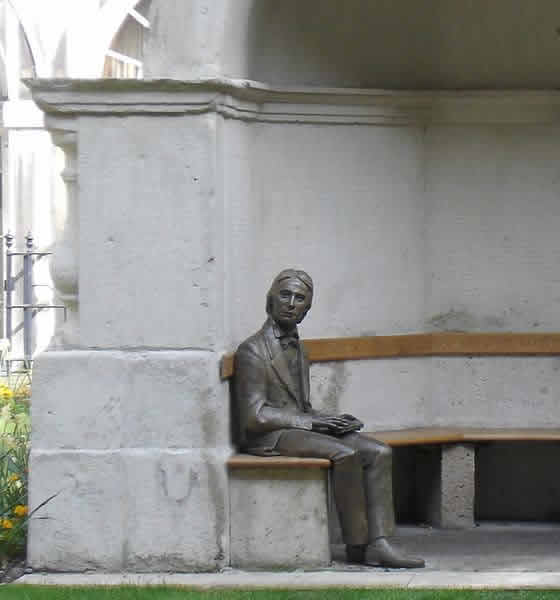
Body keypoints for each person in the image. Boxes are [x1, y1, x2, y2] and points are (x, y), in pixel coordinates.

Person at [233, 268, 425, 568]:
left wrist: (332, 420)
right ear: (270, 300)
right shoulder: (252, 350)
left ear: (306, 310)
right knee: (345, 453)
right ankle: (358, 545)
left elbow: (302, 406)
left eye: (300, 299)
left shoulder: (300, 349)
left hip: (297, 427)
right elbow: (254, 416)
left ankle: (381, 541)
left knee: (378, 451)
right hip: (269, 437)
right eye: (285, 295)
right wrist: (312, 423)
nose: (291, 303)